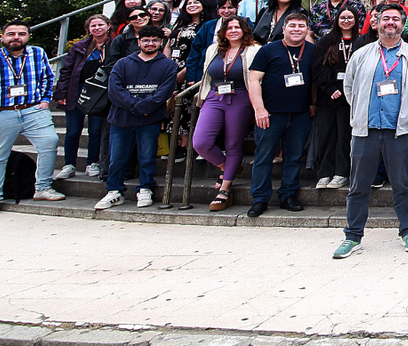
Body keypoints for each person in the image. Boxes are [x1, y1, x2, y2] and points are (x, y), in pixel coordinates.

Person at [335, 4, 408, 258]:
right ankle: (353, 235)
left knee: (403, 184)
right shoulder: (362, 54)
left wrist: (406, 113)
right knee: (358, 186)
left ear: (403, 24)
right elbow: (349, 87)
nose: (390, 23)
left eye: (395, 19)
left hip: (398, 130)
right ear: (376, 23)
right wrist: (360, 113)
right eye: (385, 18)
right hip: (365, 130)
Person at [0, 21, 65, 215]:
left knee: (50, 142)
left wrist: (45, 100)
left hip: (32, 110)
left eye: (21, 33)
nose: (16, 37)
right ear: (2, 37)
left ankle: (43, 187)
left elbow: (47, 77)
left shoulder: (38, 53)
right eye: (11, 34)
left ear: (28, 36)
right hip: (0, 113)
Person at [96, 24, 178, 210]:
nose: (150, 44)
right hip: (121, 119)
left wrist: (144, 107)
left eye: (155, 40)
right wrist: (134, 106)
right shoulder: (122, 63)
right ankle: (114, 191)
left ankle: (146, 188)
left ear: (161, 42)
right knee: (117, 158)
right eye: (146, 40)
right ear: (139, 42)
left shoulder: (168, 65)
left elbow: (164, 92)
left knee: (147, 157)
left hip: (149, 119)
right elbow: (115, 89)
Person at [246, 12, 316, 216]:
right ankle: (259, 198)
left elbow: (315, 80)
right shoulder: (268, 50)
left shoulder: (312, 50)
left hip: (300, 114)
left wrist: (314, 103)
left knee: (294, 157)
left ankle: (288, 195)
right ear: (283, 28)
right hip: (271, 114)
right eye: (292, 25)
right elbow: (253, 80)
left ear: (307, 30)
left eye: (301, 26)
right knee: (263, 157)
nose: (296, 29)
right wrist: (259, 109)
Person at [193, 15, 261, 211]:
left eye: (237, 28)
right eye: (229, 28)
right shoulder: (213, 50)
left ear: (244, 31)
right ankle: (226, 166)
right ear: (223, 32)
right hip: (215, 96)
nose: (233, 31)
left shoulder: (254, 50)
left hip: (240, 96)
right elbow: (206, 74)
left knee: (233, 143)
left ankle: (224, 189)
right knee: (201, 141)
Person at [53, 15, 111, 181]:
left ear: (108, 26)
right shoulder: (79, 47)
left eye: (100, 24)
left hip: (100, 92)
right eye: (93, 25)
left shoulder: (114, 44)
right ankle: (69, 164)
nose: (97, 28)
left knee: (95, 130)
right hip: (77, 90)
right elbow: (66, 70)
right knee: (72, 130)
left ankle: (92, 162)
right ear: (89, 28)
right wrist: (61, 93)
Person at [310, 6, 359, 190]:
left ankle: (341, 173)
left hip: (349, 98)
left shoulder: (359, 41)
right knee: (326, 135)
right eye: (342, 17)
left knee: (344, 135)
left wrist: (348, 91)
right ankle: (324, 173)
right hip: (328, 96)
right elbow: (317, 67)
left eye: (350, 17)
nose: (346, 21)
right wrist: (330, 88)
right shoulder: (326, 40)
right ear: (336, 20)